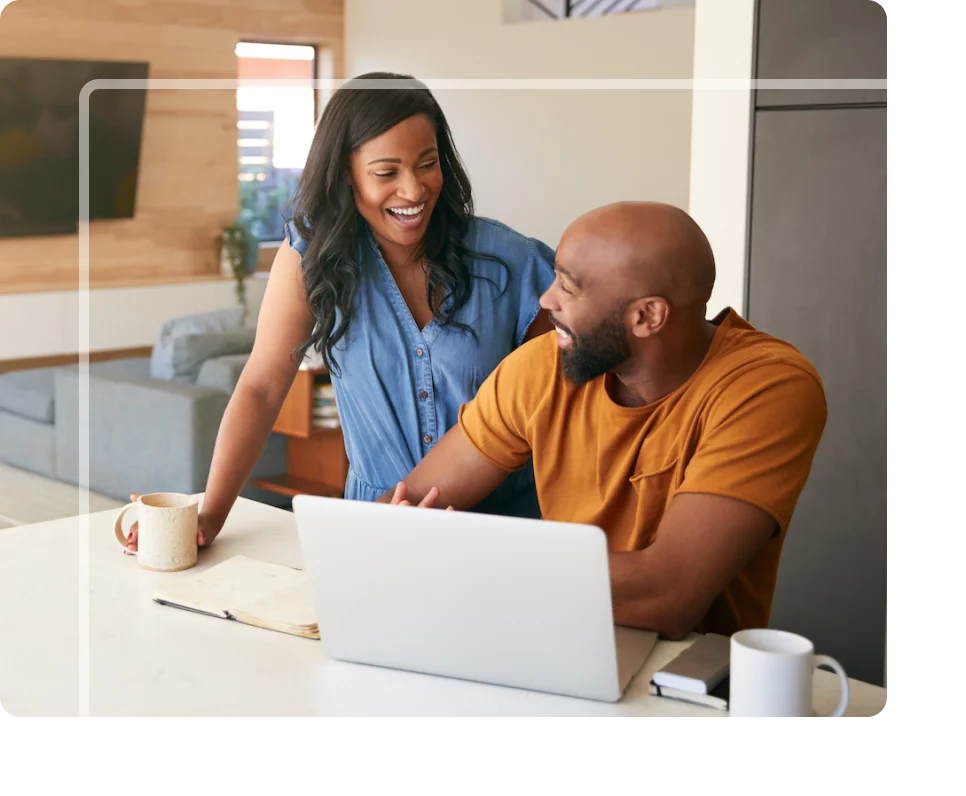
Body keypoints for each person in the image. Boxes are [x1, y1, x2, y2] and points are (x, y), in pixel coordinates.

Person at [124, 72, 555, 555]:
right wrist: (211, 512)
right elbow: (263, 386)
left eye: (427, 163)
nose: (413, 190)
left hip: (505, 531)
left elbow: (556, 414)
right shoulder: (313, 257)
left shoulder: (512, 262)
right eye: (386, 172)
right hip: (373, 533)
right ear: (346, 173)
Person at [377, 201, 828, 640]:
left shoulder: (766, 387)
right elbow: (409, 502)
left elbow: (669, 595)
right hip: (554, 636)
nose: (545, 299)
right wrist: (392, 532)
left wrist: (458, 558)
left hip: (685, 683)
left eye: (568, 287)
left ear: (647, 316)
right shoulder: (543, 366)